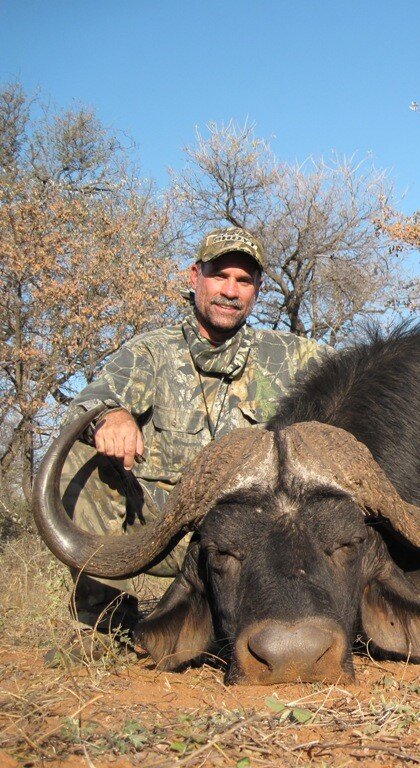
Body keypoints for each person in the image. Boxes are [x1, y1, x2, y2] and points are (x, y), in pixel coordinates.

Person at [58, 227, 323, 641]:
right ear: (194, 276)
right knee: (82, 458)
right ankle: (103, 627)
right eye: (220, 276)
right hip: (167, 532)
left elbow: (365, 373)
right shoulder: (151, 351)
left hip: (256, 541)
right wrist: (110, 416)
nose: (230, 291)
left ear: (257, 290)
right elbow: (86, 405)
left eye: (244, 281)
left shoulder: (294, 355)